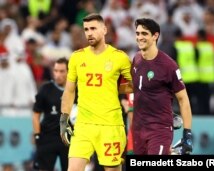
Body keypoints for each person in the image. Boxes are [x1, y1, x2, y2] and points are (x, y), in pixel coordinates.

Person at [60, 13, 132, 171]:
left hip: (110, 125)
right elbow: (69, 91)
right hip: (83, 125)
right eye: (86, 29)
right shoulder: (76, 58)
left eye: (93, 28)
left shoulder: (120, 58)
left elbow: (135, 86)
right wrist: (63, 119)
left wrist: (115, 89)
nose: (89, 33)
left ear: (104, 30)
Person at [131, 18, 193, 155]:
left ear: (155, 36)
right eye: (137, 33)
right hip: (138, 129)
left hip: (159, 129)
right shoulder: (136, 59)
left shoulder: (168, 65)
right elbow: (137, 90)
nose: (139, 37)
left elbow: (183, 99)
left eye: (144, 34)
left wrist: (187, 133)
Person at [32, 57, 69, 171]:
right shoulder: (45, 89)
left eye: (62, 71)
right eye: (55, 71)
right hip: (48, 137)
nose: (57, 74)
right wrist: (37, 136)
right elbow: (36, 115)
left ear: (69, 72)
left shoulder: (77, 90)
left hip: (69, 139)